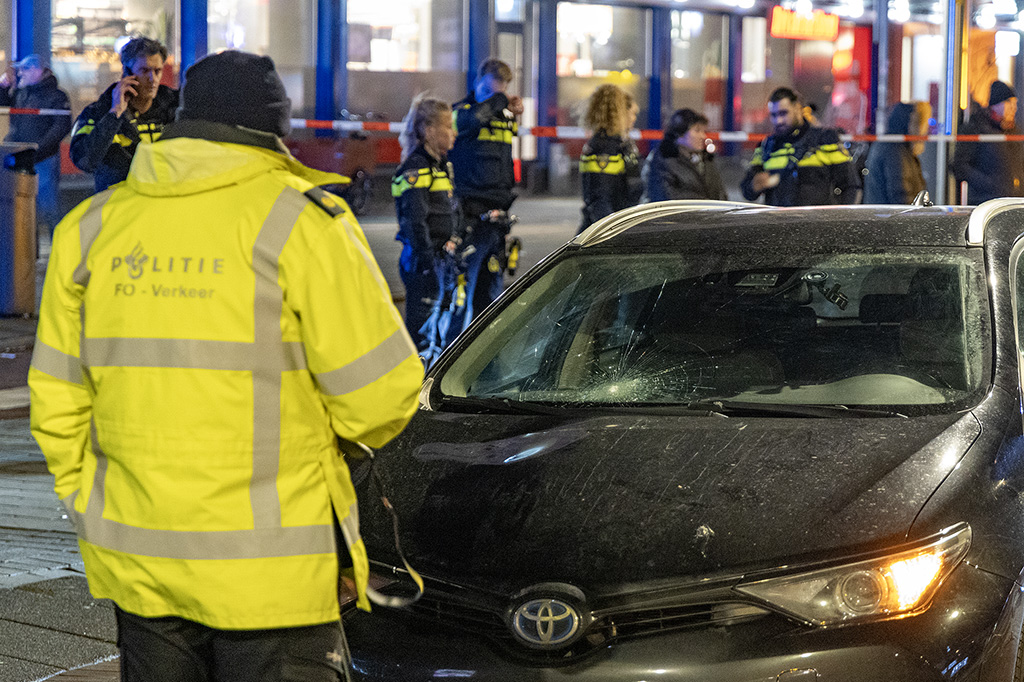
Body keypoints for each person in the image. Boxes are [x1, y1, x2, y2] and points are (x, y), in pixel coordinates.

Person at [29, 50, 423, 682]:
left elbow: (55, 402)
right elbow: (380, 397)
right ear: (275, 131)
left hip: (140, 560)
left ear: (186, 122)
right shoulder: (303, 223)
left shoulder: (92, 230)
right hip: (273, 573)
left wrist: (92, 503)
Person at [449, 58, 523, 332]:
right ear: (477, 83)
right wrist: (500, 100)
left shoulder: (502, 115)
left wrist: (513, 112)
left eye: (501, 91)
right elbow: (468, 122)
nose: (496, 98)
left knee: (491, 295)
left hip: (497, 219)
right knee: (460, 294)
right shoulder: (460, 112)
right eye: (491, 91)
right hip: (470, 215)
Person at [392, 95, 462, 365]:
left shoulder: (441, 166)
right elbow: (414, 220)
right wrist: (427, 260)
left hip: (442, 261)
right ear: (430, 131)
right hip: (426, 263)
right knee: (422, 337)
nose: (453, 133)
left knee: (439, 334)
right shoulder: (416, 169)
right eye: (448, 126)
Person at [70, 36, 178, 192]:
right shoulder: (98, 111)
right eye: (145, 70)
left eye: (157, 71)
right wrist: (115, 113)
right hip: (118, 205)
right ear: (127, 72)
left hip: (163, 204)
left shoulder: (175, 107)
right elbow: (84, 161)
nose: (152, 79)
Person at [740, 86, 855, 206]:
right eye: (773, 115)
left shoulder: (825, 139)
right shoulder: (767, 146)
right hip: (779, 222)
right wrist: (754, 186)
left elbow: (851, 186)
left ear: (797, 108)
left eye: (783, 113)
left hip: (818, 223)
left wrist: (838, 220)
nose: (778, 121)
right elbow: (747, 191)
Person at [0, 54, 72, 236]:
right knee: (21, 207)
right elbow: (3, 104)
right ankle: (30, 254)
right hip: (21, 156)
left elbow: (61, 126)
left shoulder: (56, 96)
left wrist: (38, 149)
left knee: (48, 209)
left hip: (43, 159)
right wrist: (2, 88)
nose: (20, 73)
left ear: (38, 71)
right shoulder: (22, 92)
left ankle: (57, 246)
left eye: (24, 69)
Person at [577, 85, 642, 233]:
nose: (634, 119)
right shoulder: (604, 148)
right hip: (605, 231)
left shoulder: (621, 145)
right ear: (620, 114)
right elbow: (599, 198)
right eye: (632, 114)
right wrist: (611, 233)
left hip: (619, 224)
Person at [952, 80, 1024, 204]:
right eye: (1008, 102)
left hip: (1014, 201)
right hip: (986, 202)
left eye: (1015, 103)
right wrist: (990, 184)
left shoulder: (1015, 131)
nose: (1014, 108)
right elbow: (959, 166)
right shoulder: (977, 128)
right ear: (995, 104)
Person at [641, 108, 727, 203]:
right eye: (697, 131)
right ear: (680, 134)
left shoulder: (706, 159)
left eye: (704, 131)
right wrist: (704, 205)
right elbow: (666, 197)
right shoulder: (663, 160)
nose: (703, 136)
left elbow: (720, 193)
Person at [863, 101, 930, 204]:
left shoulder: (893, 146)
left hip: (885, 216)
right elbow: (901, 194)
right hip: (891, 218)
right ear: (907, 123)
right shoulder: (894, 151)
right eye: (917, 124)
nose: (922, 132)